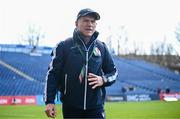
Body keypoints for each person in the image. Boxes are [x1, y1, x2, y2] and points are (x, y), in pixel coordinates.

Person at [44, 8, 118, 119]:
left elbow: (113, 72)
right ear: (76, 23)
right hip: (71, 108)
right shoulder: (64, 46)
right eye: (86, 20)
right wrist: (49, 101)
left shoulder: (101, 47)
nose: (90, 24)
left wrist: (103, 80)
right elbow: (53, 74)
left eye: (93, 22)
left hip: (96, 108)